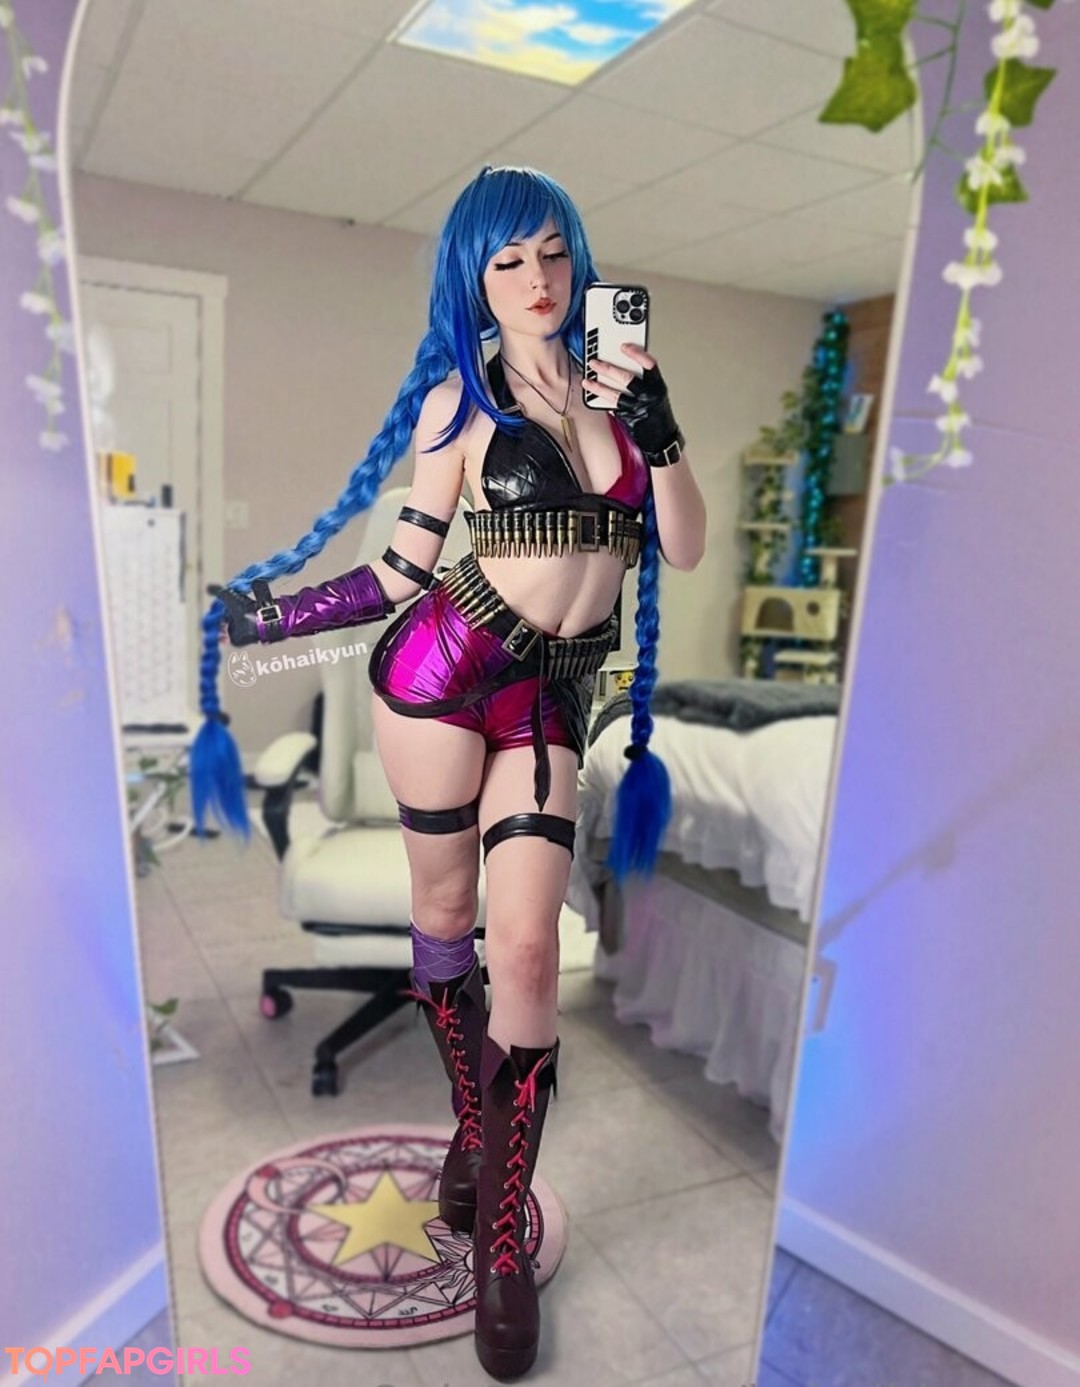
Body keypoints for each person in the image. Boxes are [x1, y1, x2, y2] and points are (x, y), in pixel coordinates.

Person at [195, 164, 706, 1381]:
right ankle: (474, 1132)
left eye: (553, 252)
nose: (537, 279)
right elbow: (400, 573)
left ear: (579, 258)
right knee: (443, 921)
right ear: (474, 279)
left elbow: (682, 545)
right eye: (507, 261)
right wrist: (272, 615)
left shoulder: (626, 391)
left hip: (549, 697)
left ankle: (498, 1240)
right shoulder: (458, 402)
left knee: (524, 951)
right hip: (437, 675)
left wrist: (662, 431)